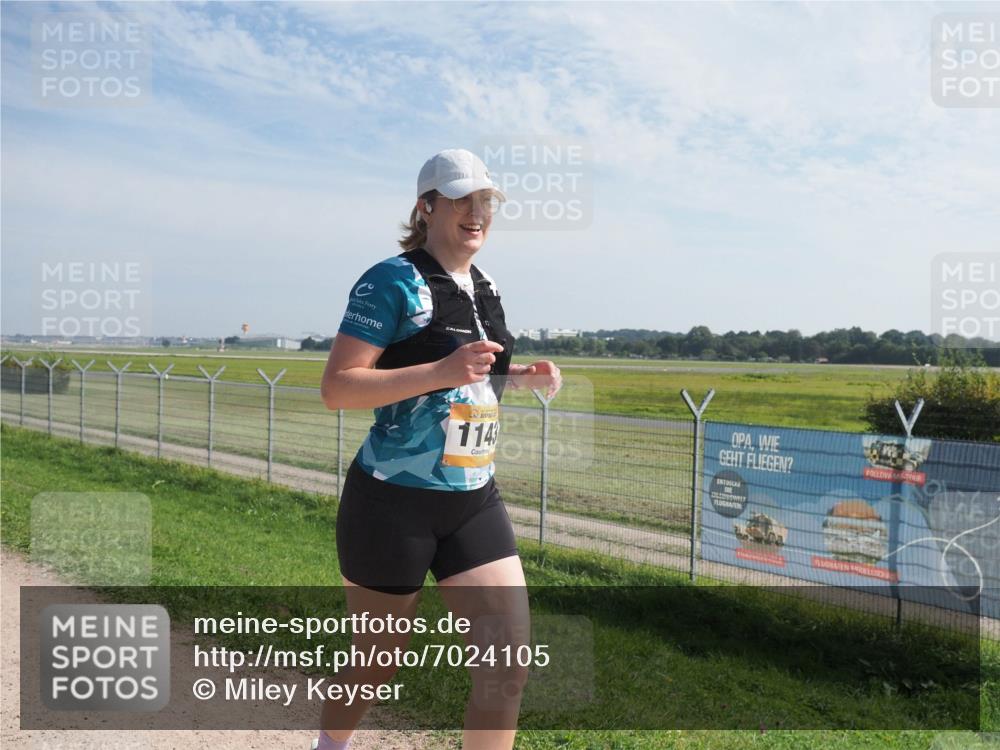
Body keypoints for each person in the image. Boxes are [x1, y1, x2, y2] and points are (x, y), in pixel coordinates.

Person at [316, 148, 561, 750]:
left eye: (485, 201)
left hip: (473, 500)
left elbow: (476, 376)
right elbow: (337, 388)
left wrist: (518, 378)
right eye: (460, 200)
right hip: (392, 503)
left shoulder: (486, 287)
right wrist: (441, 371)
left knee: (507, 667)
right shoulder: (390, 281)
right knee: (376, 662)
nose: (476, 212)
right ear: (426, 207)